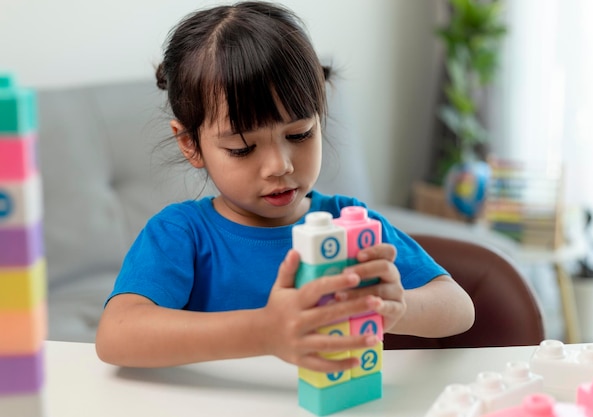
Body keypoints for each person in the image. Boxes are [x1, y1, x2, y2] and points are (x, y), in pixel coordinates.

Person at [95, 1, 475, 371]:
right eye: (242, 148)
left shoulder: (348, 221)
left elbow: (459, 308)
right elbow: (116, 336)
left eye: (300, 134)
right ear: (191, 144)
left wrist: (398, 307)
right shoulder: (181, 234)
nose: (280, 165)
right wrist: (265, 332)